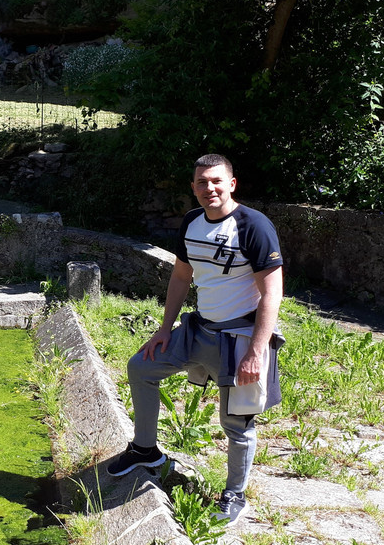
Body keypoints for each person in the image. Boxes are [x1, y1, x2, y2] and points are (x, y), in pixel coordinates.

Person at [106, 153, 284, 525]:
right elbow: (181, 278)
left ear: (232, 183)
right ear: (193, 187)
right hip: (198, 329)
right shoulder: (191, 222)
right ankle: (145, 450)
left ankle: (235, 495)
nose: (210, 188)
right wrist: (163, 328)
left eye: (217, 181)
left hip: (239, 338)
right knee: (141, 367)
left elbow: (272, 294)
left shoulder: (254, 226)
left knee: (236, 423)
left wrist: (256, 352)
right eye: (202, 182)